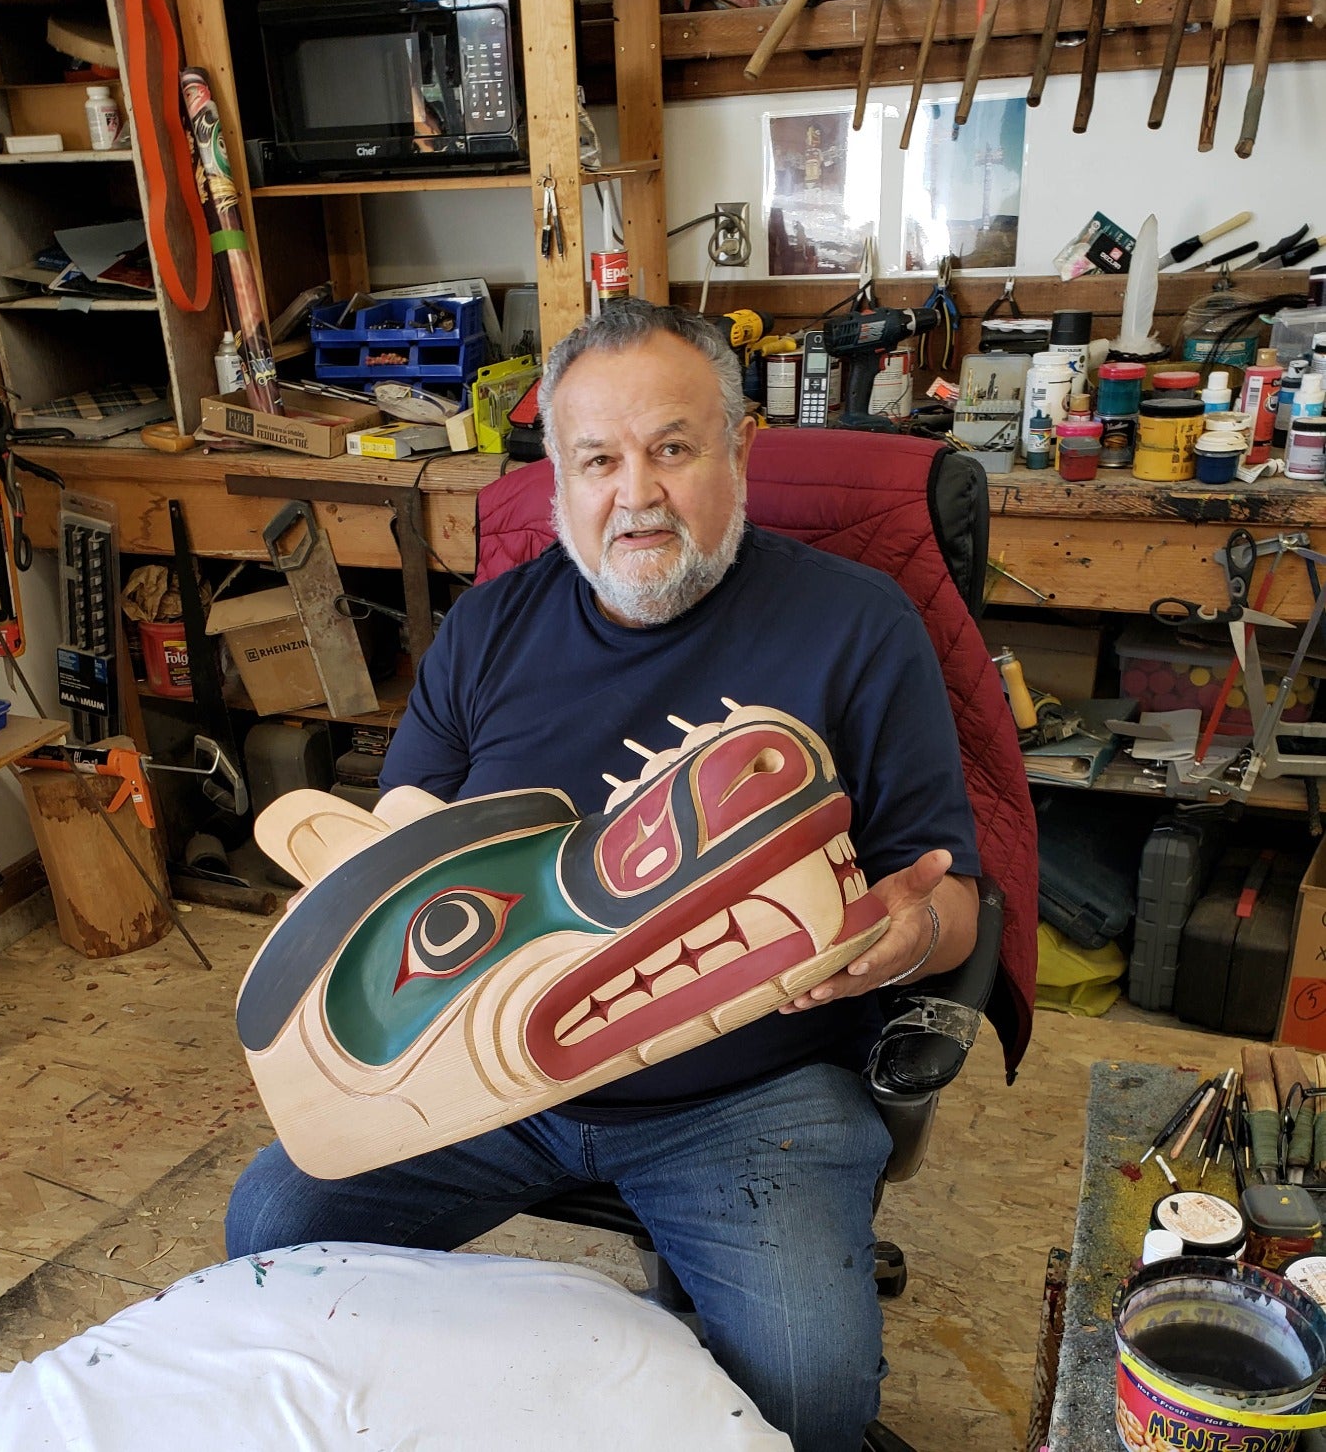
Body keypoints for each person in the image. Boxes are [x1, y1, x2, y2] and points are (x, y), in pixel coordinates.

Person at [226, 300, 981, 1450]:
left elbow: (955, 906)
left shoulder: (860, 629)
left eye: (673, 448)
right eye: (599, 459)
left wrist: (907, 935)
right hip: (486, 1083)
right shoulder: (488, 630)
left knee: (813, 1400)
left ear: (739, 452)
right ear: (558, 481)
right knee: (274, 1229)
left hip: (748, 1092)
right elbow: (404, 852)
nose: (637, 492)